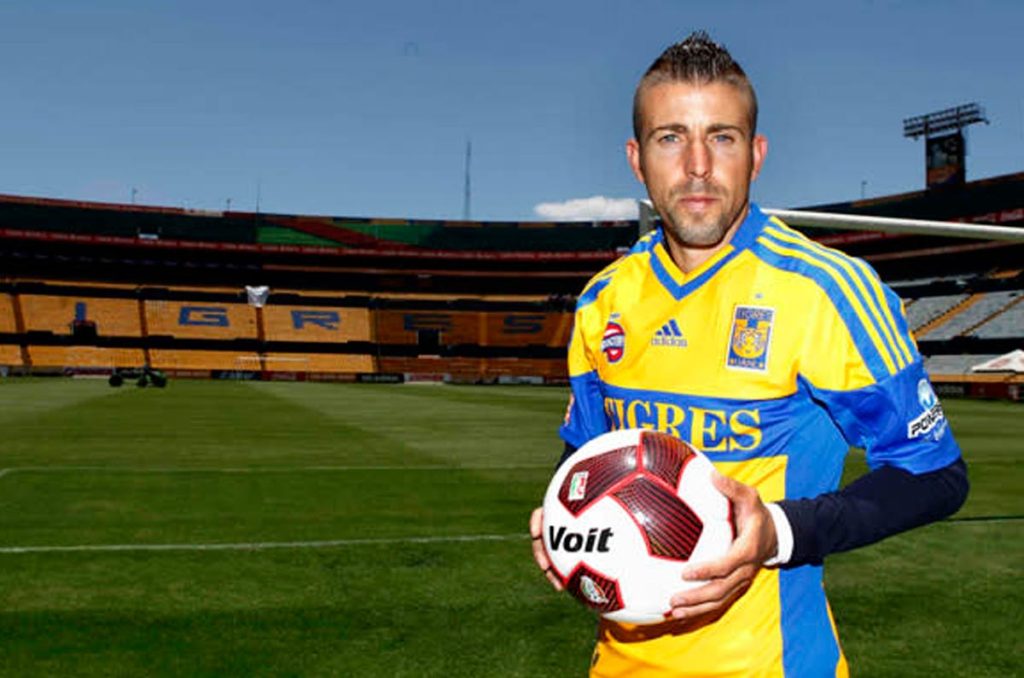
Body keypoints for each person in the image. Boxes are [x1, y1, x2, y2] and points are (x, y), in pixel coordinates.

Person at [529, 31, 968, 677]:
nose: (698, 164)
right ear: (636, 158)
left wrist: (779, 532)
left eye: (723, 137)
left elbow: (935, 475)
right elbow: (587, 459)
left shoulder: (825, 291)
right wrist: (562, 518)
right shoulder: (604, 300)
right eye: (671, 137)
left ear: (756, 155)